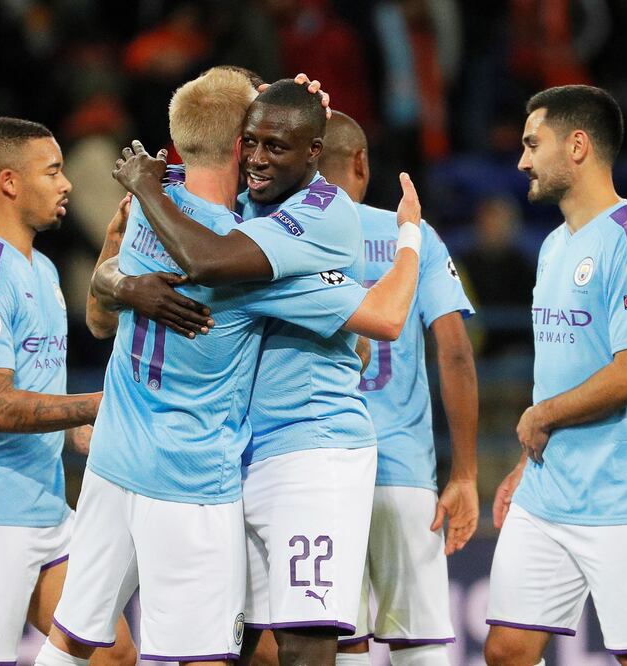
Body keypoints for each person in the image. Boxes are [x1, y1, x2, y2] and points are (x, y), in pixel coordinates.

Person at [36, 70, 425, 666]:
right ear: (243, 144)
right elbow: (383, 317)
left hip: (114, 462)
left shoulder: (149, 204)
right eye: (257, 140)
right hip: (191, 478)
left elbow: (96, 313)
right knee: (198, 657)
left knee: (71, 641)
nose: (264, 155)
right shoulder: (245, 254)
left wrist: (123, 280)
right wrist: (408, 239)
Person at [0, 117, 136, 666]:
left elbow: (93, 325)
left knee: (112, 655)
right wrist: (98, 406)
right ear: (10, 183)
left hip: (43, 505)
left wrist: (110, 254)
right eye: (54, 171)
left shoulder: (39, 267)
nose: (67, 184)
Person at [484, 85, 627, 666]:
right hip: (548, 491)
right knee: (507, 650)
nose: (521, 160)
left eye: (532, 143)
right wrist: (527, 461)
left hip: (622, 495)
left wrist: (540, 416)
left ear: (577, 146)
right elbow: (561, 370)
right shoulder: (550, 247)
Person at [311, 111, 479, 666]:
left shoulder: (291, 234)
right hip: (404, 470)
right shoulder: (412, 235)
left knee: (345, 644)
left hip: (321, 470)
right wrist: (465, 474)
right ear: (361, 162)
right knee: (421, 645)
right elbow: (453, 350)